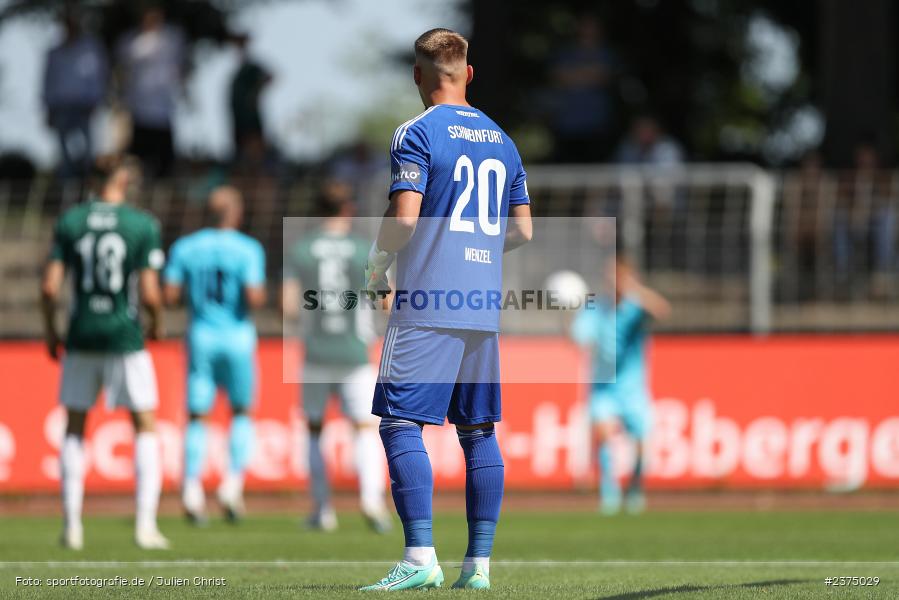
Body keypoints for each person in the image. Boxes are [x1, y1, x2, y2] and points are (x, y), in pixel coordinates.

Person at [360, 29, 533, 591]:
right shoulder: (503, 139)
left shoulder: (416, 131)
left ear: (417, 75)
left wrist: (377, 263)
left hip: (429, 298)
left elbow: (405, 219)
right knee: (479, 431)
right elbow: (523, 231)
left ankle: (419, 558)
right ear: (469, 73)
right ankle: (477, 567)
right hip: (480, 303)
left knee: (400, 422)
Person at [40, 155, 168, 550]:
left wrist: (52, 332)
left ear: (92, 179)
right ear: (123, 179)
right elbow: (148, 293)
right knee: (144, 424)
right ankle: (145, 526)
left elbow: (49, 288)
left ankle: (72, 525)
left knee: (75, 426)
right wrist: (158, 325)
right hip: (125, 337)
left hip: (82, 336)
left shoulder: (71, 221)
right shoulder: (141, 224)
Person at [281, 182, 390, 534]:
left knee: (314, 429)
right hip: (355, 352)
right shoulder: (363, 250)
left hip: (315, 351)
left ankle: (321, 510)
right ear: (349, 208)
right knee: (363, 427)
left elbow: (287, 306)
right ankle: (371, 502)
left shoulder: (301, 249)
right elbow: (384, 300)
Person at [163, 186, 266, 524]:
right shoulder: (248, 249)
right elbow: (253, 298)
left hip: (201, 335)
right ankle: (231, 485)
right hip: (237, 336)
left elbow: (171, 294)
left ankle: (192, 489)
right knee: (240, 411)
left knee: (197, 415)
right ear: (235, 213)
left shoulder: (186, 247)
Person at [571, 255, 670, 515]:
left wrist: (635, 291)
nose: (612, 281)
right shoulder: (595, 307)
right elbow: (579, 336)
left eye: (618, 277)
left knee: (640, 445)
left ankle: (636, 486)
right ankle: (609, 492)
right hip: (604, 387)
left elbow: (662, 310)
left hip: (633, 389)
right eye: (609, 276)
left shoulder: (635, 307)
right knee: (602, 434)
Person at [115, 6, 187, 177]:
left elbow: (181, 68)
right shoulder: (130, 42)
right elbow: (121, 72)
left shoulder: (173, 38)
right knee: (138, 159)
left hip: (164, 109)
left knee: (164, 160)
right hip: (138, 109)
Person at [42, 9, 108, 179]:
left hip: (83, 106)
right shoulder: (54, 53)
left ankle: (86, 185)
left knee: (87, 153)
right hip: (61, 107)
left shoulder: (91, 49)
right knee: (65, 155)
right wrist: (48, 108)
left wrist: (96, 101)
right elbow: (48, 82)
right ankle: (67, 189)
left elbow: (98, 78)